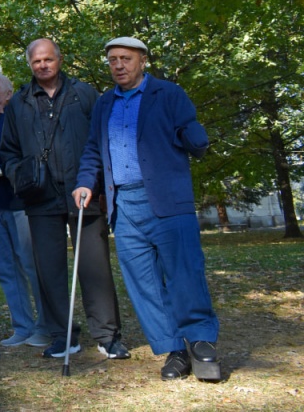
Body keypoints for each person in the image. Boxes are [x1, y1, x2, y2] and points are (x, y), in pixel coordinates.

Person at [74, 37, 220, 381]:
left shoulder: (168, 94)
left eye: (125, 58)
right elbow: (94, 149)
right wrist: (85, 182)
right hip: (124, 205)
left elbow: (189, 130)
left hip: (169, 202)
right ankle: (173, 350)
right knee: (144, 284)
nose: (118, 65)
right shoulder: (104, 103)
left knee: (184, 274)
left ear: (142, 61)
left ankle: (201, 343)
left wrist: (194, 136)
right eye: (112, 59)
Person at [0, 38, 128, 360]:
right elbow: (8, 152)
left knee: (94, 267)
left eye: (48, 59)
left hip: (84, 194)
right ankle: (63, 334)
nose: (43, 66)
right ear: (29, 64)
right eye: (36, 62)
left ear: (59, 59)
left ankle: (107, 335)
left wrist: (96, 183)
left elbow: (102, 140)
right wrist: (21, 178)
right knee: (49, 271)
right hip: (40, 199)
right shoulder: (19, 103)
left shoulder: (84, 94)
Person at [0, 74, 51, 348]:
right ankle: (22, 328)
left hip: (18, 202)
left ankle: (46, 326)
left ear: (8, 95)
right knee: (7, 269)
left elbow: (33, 155)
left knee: (30, 264)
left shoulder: (18, 119)